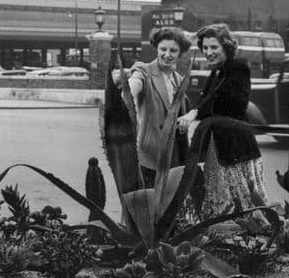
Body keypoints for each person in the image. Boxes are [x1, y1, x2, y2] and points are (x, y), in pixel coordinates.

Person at [176, 23, 268, 217]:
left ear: (226, 46)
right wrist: (192, 112)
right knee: (221, 202)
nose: (208, 52)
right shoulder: (217, 71)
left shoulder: (238, 68)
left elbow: (224, 98)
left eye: (214, 47)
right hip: (217, 145)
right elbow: (206, 102)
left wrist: (194, 113)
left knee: (243, 203)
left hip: (235, 145)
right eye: (205, 48)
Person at [113, 26, 192, 188]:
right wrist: (127, 95)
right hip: (148, 156)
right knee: (147, 200)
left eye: (173, 50)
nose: (167, 55)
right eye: (163, 49)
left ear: (180, 53)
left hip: (174, 157)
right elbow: (133, 86)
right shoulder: (144, 70)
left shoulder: (179, 79)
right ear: (156, 48)